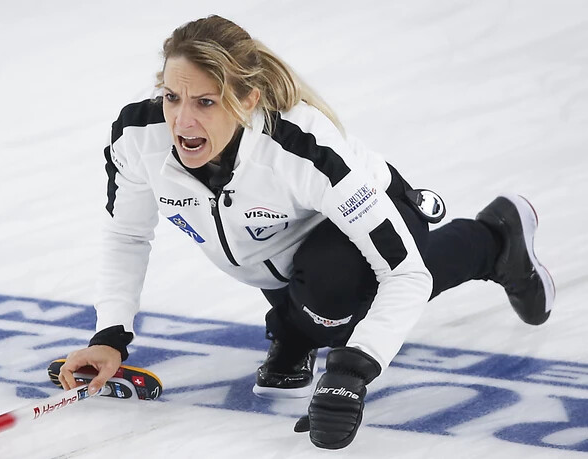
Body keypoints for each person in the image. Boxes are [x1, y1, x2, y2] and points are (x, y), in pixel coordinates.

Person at [57, 15, 555, 449]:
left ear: (247, 99)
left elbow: (404, 273)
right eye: (171, 97)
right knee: (319, 304)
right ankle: (298, 325)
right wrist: (111, 336)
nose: (182, 120)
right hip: (280, 262)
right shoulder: (138, 138)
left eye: (206, 102)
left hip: (368, 221)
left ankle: (493, 241)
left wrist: (352, 369)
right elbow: (127, 236)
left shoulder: (300, 149)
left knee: (336, 302)